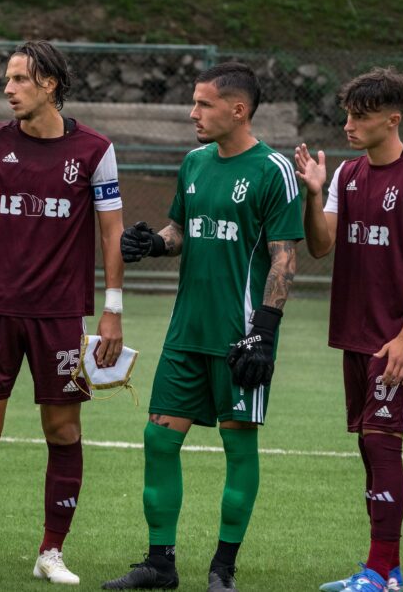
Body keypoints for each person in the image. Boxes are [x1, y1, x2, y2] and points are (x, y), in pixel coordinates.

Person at [105, 63, 303, 592]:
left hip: (241, 338)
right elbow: (181, 230)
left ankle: (223, 569)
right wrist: (154, 244)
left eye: (203, 104)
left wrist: (265, 329)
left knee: (239, 448)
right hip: (184, 334)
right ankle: (160, 563)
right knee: (158, 440)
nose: (193, 113)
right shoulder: (193, 163)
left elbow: (285, 258)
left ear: (237, 110)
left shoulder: (272, 170)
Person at [0, 40, 124, 587]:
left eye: (20, 79)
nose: (8, 88)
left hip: (62, 315)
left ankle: (52, 551)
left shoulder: (94, 149)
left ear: (50, 85)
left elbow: (111, 233)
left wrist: (112, 310)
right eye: (8, 79)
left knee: (63, 431)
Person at [296, 68, 403, 592]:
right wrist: (313, 195)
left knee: (381, 442)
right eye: (347, 115)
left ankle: (377, 569)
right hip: (355, 334)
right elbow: (322, 246)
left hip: (397, 340)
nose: (349, 125)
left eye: (360, 117)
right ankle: (388, 569)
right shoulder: (347, 175)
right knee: (369, 447)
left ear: (393, 119)